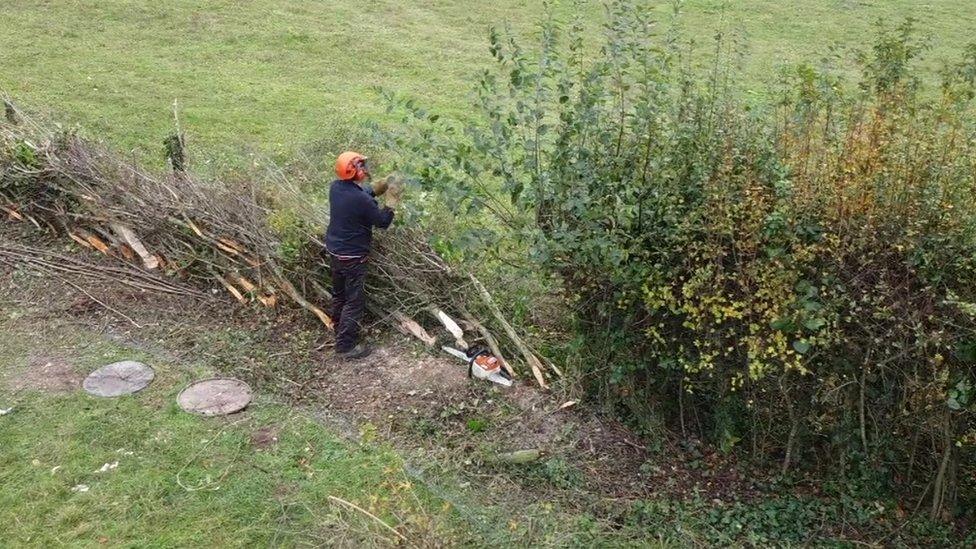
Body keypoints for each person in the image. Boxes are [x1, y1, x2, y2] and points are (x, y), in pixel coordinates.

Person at [325, 151, 397, 359]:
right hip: (353, 257)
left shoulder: (336, 187)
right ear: (351, 171)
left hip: (335, 251)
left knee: (339, 295)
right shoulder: (361, 200)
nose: (365, 170)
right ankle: (345, 347)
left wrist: (376, 188)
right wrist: (391, 201)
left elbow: (360, 194)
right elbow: (382, 222)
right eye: (361, 167)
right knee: (354, 302)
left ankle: (339, 329)